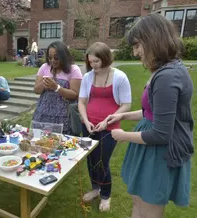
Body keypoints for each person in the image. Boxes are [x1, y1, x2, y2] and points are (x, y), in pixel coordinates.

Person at [107, 14, 194, 218]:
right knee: (138, 200)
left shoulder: (167, 76)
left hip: (159, 154)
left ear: (152, 39)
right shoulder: (165, 70)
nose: (135, 52)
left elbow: (161, 134)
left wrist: (123, 136)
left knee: (149, 210)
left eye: (137, 45)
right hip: (149, 151)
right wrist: (124, 116)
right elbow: (152, 112)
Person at [78, 42, 132, 212]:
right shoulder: (88, 77)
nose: (92, 65)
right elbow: (81, 102)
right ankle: (95, 188)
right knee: (90, 159)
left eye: (96, 62)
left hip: (109, 127)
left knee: (102, 161)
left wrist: (107, 121)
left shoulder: (120, 77)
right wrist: (86, 122)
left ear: (106, 59)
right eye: (90, 62)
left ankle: (105, 195)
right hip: (89, 125)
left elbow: (126, 104)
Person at [33, 41, 82, 134]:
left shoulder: (73, 70)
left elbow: (75, 95)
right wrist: (45, 83)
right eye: (50, 57)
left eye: (56, 57)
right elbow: (36, 90)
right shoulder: (45, 67)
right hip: (43, 113)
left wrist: (57, 87)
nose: (52, 60)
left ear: (63, 56)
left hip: (63, 115)